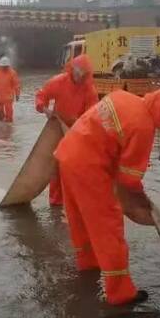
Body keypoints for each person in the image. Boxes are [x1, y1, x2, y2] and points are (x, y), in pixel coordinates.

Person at [54, 88, 160, 306]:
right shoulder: (143, 126)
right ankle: (120, 293)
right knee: (108, 227)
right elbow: (128, 179)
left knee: (80, 219)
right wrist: (140, 202)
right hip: (90, 167)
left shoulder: (123, 96)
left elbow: (108, 137)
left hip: (68, 153)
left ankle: (88, 263)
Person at [35, 54, 99, 206]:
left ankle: (73, 201)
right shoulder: (59, 82)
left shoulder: (89, 89)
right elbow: (41, 95)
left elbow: (93, 113)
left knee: (74, 168)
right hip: (58, 128)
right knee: (56, 165)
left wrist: (82, 125)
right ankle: (56, 202)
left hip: (78, 132)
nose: (79, 77)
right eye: (77, 73)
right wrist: (44, 109)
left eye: (82, 74)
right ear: (72, 70)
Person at [0, 56, 21, 122]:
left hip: (8, 97)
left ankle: (8, 127)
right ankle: (1, 126)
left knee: (9, 116)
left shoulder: (12, 73)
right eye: (3, 66)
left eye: (5, 66)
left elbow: (16, 85)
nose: (4, 67)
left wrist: (17, 94)